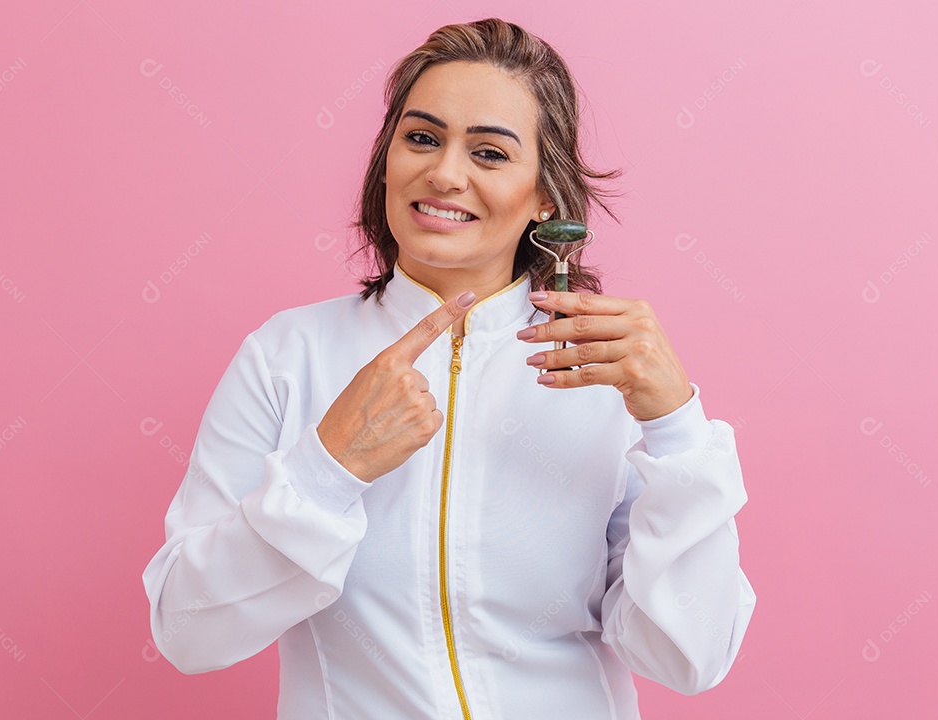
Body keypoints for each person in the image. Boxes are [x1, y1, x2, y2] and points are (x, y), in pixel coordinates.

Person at [142, 17, 756, 720]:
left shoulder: (607, 375)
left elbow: (688, 657)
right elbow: (188, 631)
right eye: (422, 138)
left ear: (546, 194)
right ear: (387, 158)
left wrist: (677, 429)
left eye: (490, 153)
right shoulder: (285, 356)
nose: (444, 173)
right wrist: (329, 467)